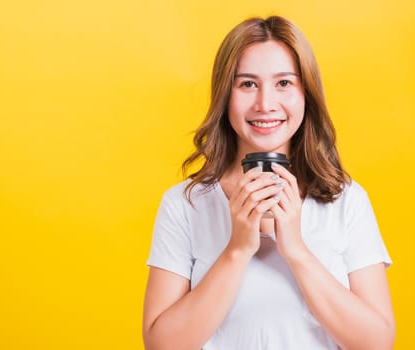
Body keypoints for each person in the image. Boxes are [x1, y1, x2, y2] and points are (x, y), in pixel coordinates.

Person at [142, 16, 395, 350]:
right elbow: (162, 345)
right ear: (225, 95)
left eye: (284, 83)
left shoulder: (345, 200)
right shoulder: (185, 204)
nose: (265, 104)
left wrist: (296, 250)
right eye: (247, 84)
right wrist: (238, 249)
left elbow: (377, 343)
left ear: (306, 92)